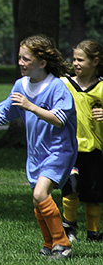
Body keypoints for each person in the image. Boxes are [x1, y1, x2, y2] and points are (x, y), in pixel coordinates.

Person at [0, 35, 77, 260]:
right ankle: (49, 243)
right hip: (36, 153)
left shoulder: (56, 86)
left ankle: (63, 244)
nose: (20, 62)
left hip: (59, 149)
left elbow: (58, 119)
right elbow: (3, 112)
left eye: (26, 59)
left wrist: (31, 106)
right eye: (19, 57)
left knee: (40, 193)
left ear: (42, 63)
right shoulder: (20, 85)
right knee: (38, 199)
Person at [61, 39, 103, 242]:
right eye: (74, 59)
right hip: (69, 150)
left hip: (95, 150)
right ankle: (69, 228)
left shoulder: (102, 87)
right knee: (71, 188)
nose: (75, 63)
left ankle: (93, 234)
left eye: (81, 60)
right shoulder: (64, 84)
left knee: (94, 194)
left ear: (95, 61)